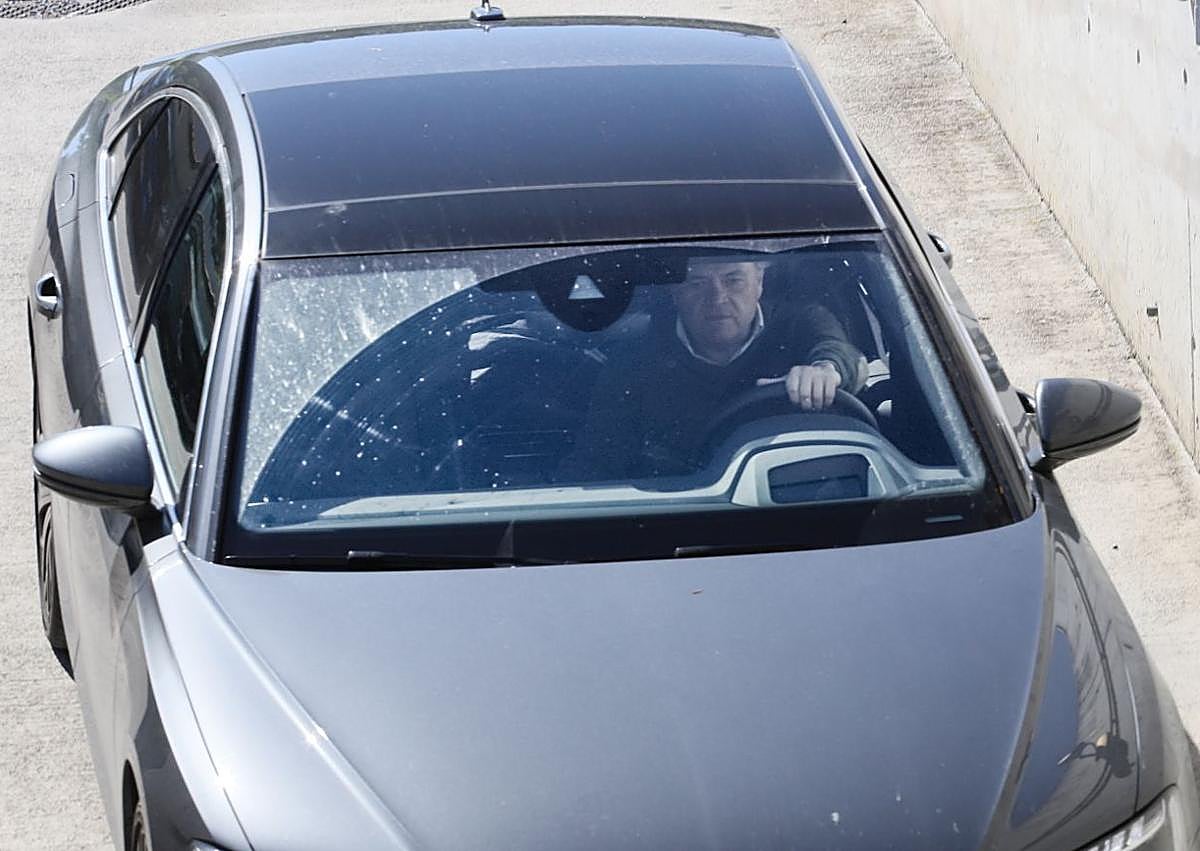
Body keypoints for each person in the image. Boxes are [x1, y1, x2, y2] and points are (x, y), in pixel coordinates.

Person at [564, 256, 869, 481]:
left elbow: (843, 354)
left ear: (759, 282)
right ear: (674, 292)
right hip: (672, 523)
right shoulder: (632, 364)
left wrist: (824, 371)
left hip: (799, 507)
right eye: (697, 284)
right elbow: (596, 468)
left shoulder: (800, 324)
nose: (717, 298)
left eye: (733, 280)